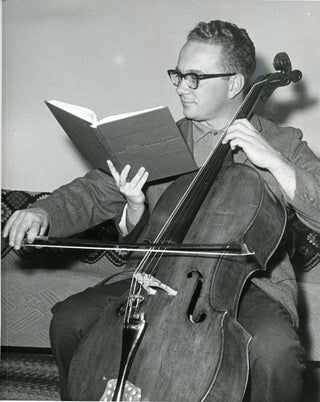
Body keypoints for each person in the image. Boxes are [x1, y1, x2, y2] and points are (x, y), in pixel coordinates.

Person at [3, 20, 320, 401]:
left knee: (274, 354)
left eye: (194, 77)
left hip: (251, 286)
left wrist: (275, 163)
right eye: (177, 74)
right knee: (70, 321)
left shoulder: (281, 141)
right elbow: (94, 188)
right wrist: (44, 212)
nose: (179, 86)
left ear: (235, 83)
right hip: (157, 279)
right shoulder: (163, 141)